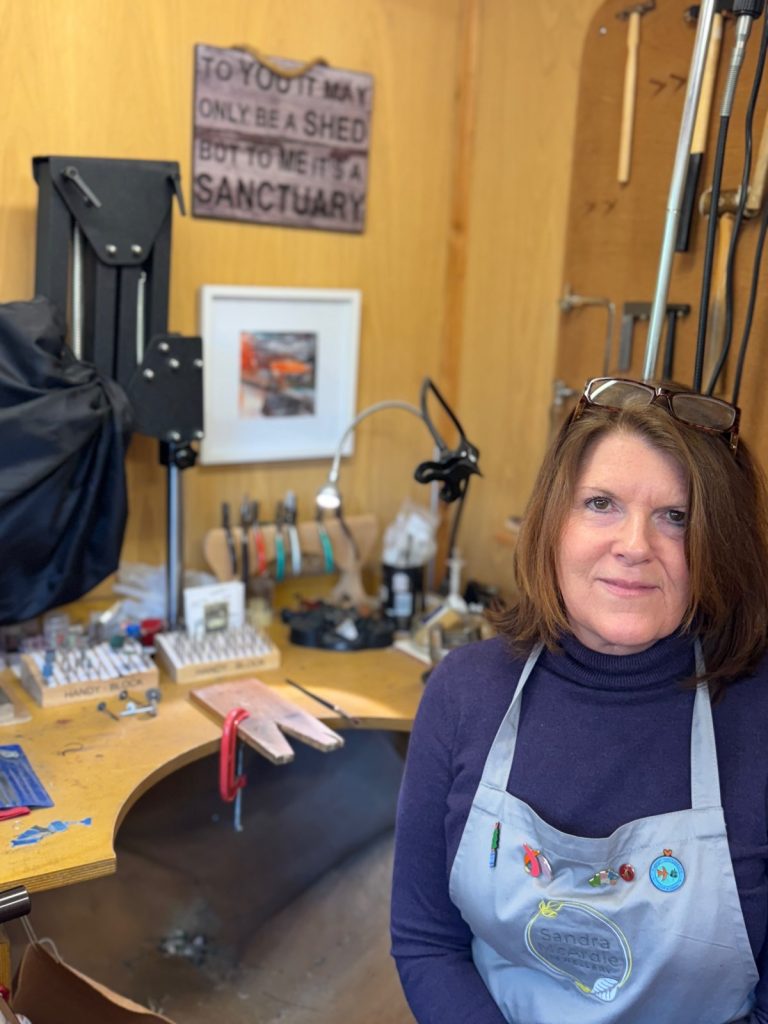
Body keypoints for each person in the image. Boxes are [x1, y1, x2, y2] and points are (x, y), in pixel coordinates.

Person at [390, 377, 768, 1024]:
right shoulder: (464, 692)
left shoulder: (756, 713)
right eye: (600, 503)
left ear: (719, 544)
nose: (634, 546)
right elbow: (427, 941)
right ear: (551, 524)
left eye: (675, 517)